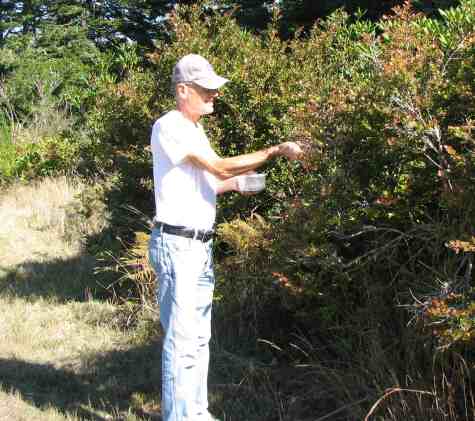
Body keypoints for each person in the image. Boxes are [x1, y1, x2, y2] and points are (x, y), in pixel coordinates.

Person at [148, 54, 302, 421]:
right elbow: (217, 165)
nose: (214, 95)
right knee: (182, 341)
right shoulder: (170, 125)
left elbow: (209, 182)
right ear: (183, 90)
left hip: (198, 246)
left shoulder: (195, 130)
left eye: (215, 90)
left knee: (199, 340)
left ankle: (197, 413)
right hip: (178, 245)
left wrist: (234, 185)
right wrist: (275, 151)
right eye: (207, 90)